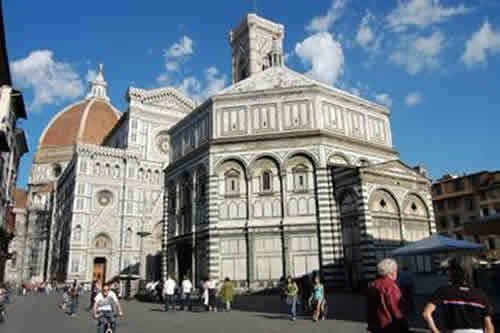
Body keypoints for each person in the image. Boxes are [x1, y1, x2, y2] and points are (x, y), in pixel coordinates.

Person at [423, 256, 495, 333]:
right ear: (470, 272)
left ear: (451, 272)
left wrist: (435, 331)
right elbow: (489, 326)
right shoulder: (481, 294)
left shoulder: (443, 291)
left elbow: (426, 314)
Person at [365, 258, 408, 333]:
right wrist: (403, 324)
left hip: (375, 324)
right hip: (390, 325)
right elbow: (394, 307)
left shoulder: (372, 285)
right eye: (396, 270)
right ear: (392, 272)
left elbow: (369, 307)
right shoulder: (391, 286)